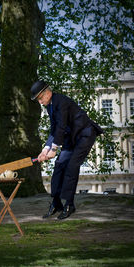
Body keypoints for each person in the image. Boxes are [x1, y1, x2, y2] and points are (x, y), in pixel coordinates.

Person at [30, 80, 103, 220]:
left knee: (71, 167)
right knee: (59, 166)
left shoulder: (61, 101)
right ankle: (56, 203)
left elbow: (61, 126)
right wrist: (45, 149)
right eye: (38, 99)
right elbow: (54, 129)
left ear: (47, 93)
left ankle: (69, 205)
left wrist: (54, 149)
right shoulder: (49, 106)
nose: (39, 102)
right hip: (71, 138)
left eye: (40, 98)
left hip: (84, 135)